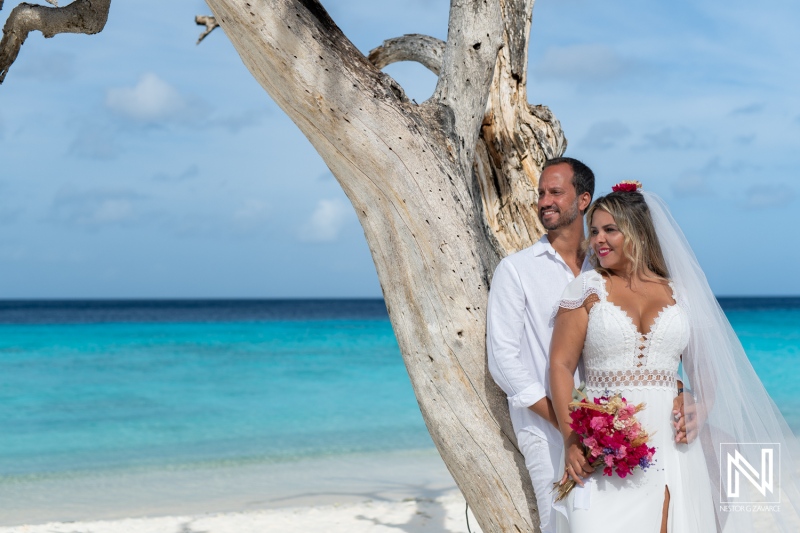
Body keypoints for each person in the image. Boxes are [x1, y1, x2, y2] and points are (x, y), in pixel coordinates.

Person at [549, 183, 800, 532]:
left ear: (638, 233)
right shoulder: (586, 288)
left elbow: (705, 369)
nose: (598, 240)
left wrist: (700, 406)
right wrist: (571, 438)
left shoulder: (680, 293)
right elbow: (560, 365)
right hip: (601, 442)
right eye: (593, 231)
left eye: (610, 230)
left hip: (671, 443)